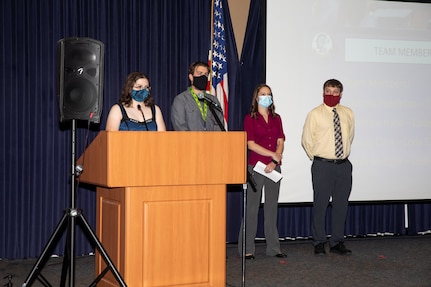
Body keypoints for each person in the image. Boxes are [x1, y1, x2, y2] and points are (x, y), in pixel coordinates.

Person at [301, 79, 355, 255]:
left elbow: (350, 136)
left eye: (335, 92)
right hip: (322, 166)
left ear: (340, 94)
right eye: (328, 91)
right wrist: (319, 159)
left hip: (343, 166)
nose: (331, 95)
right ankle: (319, 241)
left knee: (341, 205)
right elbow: (306, 141)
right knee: (321, 205)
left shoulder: (348, 113)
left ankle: (337, 241)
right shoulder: (315, 114)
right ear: (323, 92)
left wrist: (340, 156)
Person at [238, 84, 286, 259]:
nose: (266, 97)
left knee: (272, 208)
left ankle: (274, 248)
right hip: (256, 167)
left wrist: (275, 159)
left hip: (274, 167)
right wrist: (271, 155)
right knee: (251, 208)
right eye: (263, 94)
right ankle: (247, 249)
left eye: (269, 94)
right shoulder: (250, 118)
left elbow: (280, 141)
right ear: (256, 98)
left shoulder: (276, 118)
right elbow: (250, 144)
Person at [171, 61, 224, 131]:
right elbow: (180, 127)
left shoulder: (213, 100)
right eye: (200, 73)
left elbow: (219, 126)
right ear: (191, 77)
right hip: (190, 141)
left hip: (212, 141)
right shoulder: (181, 100)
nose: (203, 77)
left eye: (205, 74)